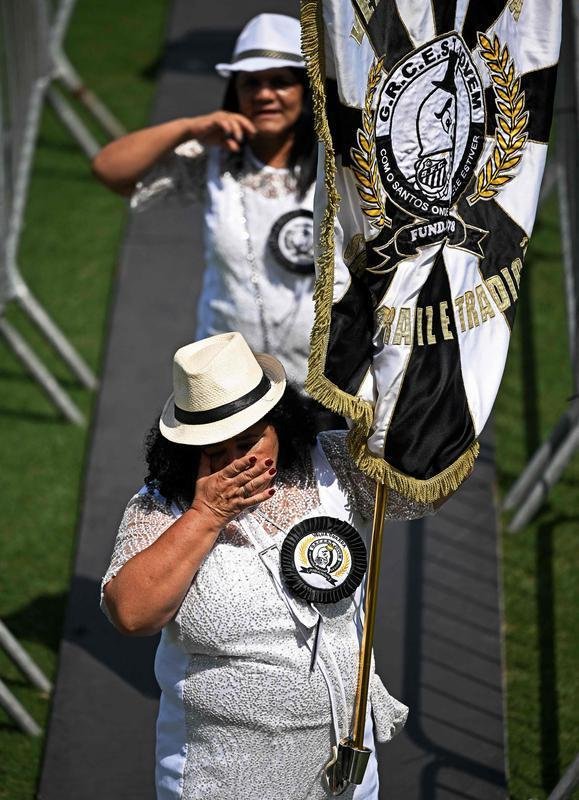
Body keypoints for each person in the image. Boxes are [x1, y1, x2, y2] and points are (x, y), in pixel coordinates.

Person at [101, 332, 437, 800]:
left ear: (280, 425)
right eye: (217, 453)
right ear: (187, 454)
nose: (239, 463)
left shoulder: (335, 462)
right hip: (221, 776)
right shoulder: (160, 507)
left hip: (343, 764)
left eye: (250, 441)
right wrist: (208, 515)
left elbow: (421, 487)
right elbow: (131, 613)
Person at [92, 14, 320, 391]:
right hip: (229, 385)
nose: (264, 95)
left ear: (306, 90)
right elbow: (110, 170)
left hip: (326, 383)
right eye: (251, 83)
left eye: (280, 82)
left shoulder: (342, 164)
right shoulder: (212, 159)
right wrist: (188, 128)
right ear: (235, 93)